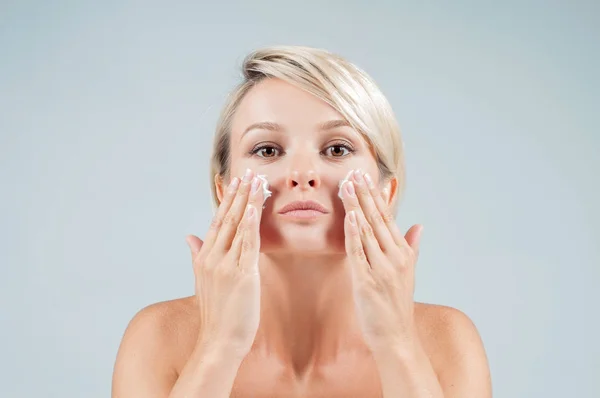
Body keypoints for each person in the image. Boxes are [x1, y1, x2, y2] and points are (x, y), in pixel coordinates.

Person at [111, 45, 492, 398]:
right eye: (267, 149)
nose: (303, 174)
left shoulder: (447, 341)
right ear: (224, 191)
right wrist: (219, 344)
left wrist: (395, 340)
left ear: (386, 193)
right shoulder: (159, 337)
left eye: (337, 149)